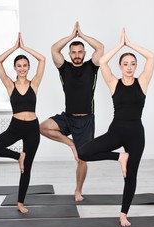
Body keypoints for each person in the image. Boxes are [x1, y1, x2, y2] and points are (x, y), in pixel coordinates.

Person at [78, 29, 154, 227]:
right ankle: (119, 157)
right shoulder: (114, 83)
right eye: (125, 64)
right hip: (117, 131)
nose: (129, 67)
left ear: (136, 66)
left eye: (132, 64)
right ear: (120, 66)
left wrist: (130, 44)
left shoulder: (142, 82)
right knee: (84, 152)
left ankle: (123, 214)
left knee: (130, 175)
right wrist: (120, 46)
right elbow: (103, 62)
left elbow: (151, 56)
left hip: (136, 134)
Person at [39, 22, 104, 202]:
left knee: (83, 159)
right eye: (73, 52)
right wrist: (71, 36)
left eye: (79, 52)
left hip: (86, 120)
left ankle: (78, 190)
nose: (76, 55)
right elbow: (54, 49)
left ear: (84, 53)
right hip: (68, 118)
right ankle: (71, 144)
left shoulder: (92, 67)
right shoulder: (64, 68)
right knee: (43, 127)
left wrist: (81, 35)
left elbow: (100, 47)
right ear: (69, 54)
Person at [0, 33, 45, 213]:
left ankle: (20, 202)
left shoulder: (34, 83)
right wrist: (14, 48)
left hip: (32, 128)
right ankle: (17, 156)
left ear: (28, 67)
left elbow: (42, 59)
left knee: (26, 169)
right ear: (15, 68)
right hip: (16, 126)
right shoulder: (10, 84)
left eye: (25, 65)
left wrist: (24, 47)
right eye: (19, 66)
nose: (22, 68)